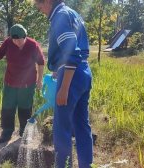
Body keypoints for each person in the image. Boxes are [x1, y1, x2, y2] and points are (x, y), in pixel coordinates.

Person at [34, 0, 93, 167]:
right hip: (84, 72)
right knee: (82, 126)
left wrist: (64, 88)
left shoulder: (59, 16)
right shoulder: (72, 13)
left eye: (39, 4)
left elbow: (71, 52)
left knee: (62, 130)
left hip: (72, 76)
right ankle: (86, 165)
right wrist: (57, 69)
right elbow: (75, 49)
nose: (39, 9)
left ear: (48, 1)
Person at [0, 24, 45, 144]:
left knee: (25, 109)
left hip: (27, 84)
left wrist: (39, 80)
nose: (17, 42)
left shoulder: (33, 45)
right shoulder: (8, 43)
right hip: (10, 82)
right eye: (14, 39)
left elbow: (41, 63)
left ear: (25, 36)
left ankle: (24, 134)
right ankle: (6, 133)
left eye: (19, 39)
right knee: (7, 108)